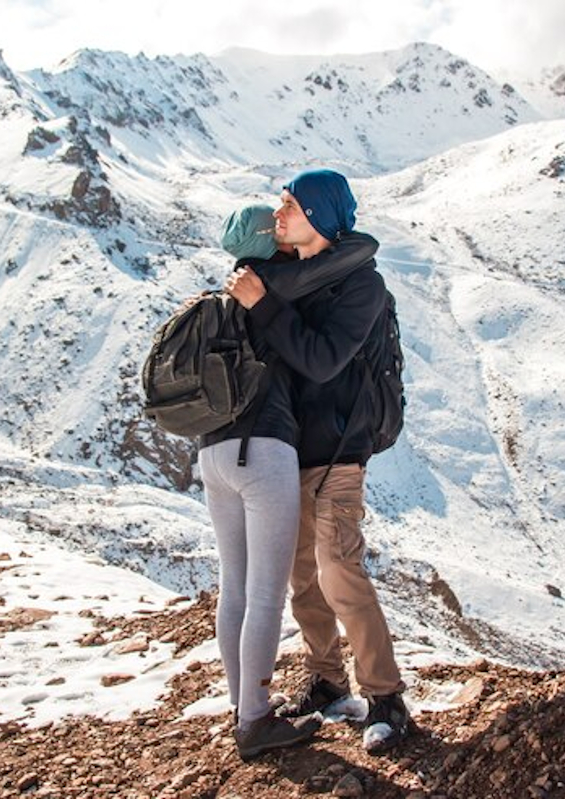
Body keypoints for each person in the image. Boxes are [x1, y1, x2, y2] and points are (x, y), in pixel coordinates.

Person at [224, 170, 411, 754]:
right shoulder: (285, 279)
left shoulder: (361, 286)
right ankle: (329, 683)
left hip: (338, 453)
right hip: (288, 453)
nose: (279, 214)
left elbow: (323, 360)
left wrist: (264, 308)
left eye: (290, 205)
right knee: (302, 575)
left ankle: (385, 698)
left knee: (339, 569)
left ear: (321, 216)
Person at [202, 203, 378, 760]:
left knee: (234, 587)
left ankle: (241, 709)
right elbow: (350, 258)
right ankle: (255, 722)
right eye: (276, 223)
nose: (285, 223)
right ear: (271, 245)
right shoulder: (274, 290)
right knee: (265, 593)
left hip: (212, 455)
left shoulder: (215, 301)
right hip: (266, 451)